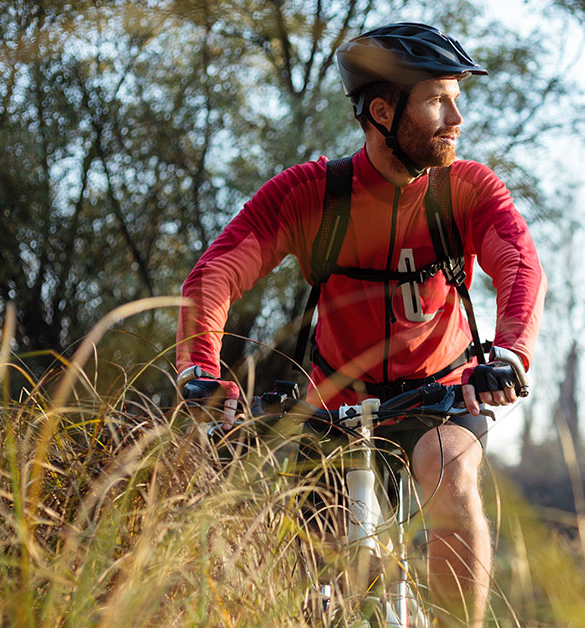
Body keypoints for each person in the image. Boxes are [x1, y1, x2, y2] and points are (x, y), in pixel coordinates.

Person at [175, 22, 546, 628]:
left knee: (449, 474)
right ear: (382, 111)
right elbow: (216, 274)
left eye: (456, 97)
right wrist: (202, 368)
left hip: (441, 396)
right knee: (314, 571)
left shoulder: (468, 189)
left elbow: (520, 265)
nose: (456, 117)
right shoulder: (310, 195)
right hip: (334, 407)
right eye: (435, 100)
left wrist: (508, 354)